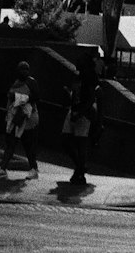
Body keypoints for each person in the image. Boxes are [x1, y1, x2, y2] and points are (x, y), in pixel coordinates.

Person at [61, 52, 101, 188]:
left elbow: (90, 98)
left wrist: (80, 113)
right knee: (66, 140)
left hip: (84, 112)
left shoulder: (90, 77)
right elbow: (76, 93)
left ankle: (79, 172)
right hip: (75, 109)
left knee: (80, 142)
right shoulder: (78, 76)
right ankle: (80, 167)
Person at [0, 59, 40, 178]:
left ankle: (33, 169)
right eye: (22, 68)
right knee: (11, 142)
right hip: (16, 115)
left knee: (28, 144)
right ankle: (3, 168)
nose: (24, 71)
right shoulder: (16, 82)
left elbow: (36, 97)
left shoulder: (31, 82)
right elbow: (10, 98)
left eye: (26, 68)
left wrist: (19, 97)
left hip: (28, 116)